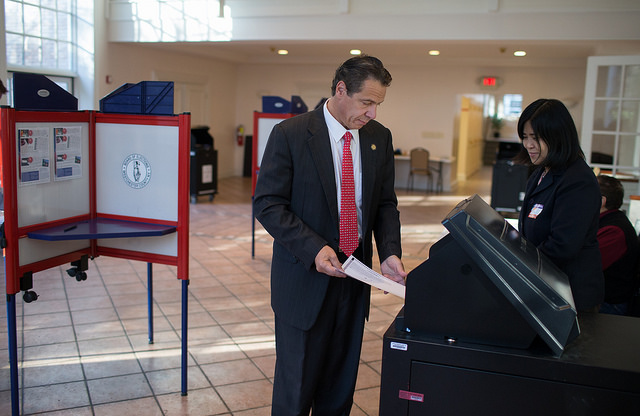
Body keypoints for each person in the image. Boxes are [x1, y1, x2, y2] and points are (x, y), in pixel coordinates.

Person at [253, 55, 407, 415]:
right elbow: (269, 204)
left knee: (339, 391)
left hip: (354, 283)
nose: (372, 113)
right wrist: (314, 248)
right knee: (296, 392)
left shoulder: (378, 138)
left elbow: (385, 204)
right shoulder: (290, 134)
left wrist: (389, 251)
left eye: (378, 104)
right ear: (341, 90)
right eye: (366, 102)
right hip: (305, 282)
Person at [515, 98, 604, 313]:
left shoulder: (577, 180)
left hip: (570, 294)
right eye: (525, 137)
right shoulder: (540, 172)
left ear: (557, 136)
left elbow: (563, 245)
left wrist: (519, 267)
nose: (528, 145)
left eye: (535, 138)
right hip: (545, 285)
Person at [596, 175, 640, 316]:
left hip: (609, 306)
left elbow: (588, 265)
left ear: (601, 201)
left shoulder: (615, 231)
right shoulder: (604, 221)